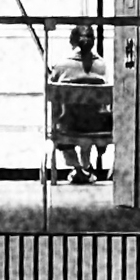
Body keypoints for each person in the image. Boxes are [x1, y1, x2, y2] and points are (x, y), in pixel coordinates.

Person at [42, 18, 119, 186]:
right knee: (91, 112)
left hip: (70, 127)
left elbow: (52, 100)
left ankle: (78, 168)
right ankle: (85, 166)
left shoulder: (61, 66)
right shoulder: (102, 66)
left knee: (65, 118)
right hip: (99, 127)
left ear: (71, 41)